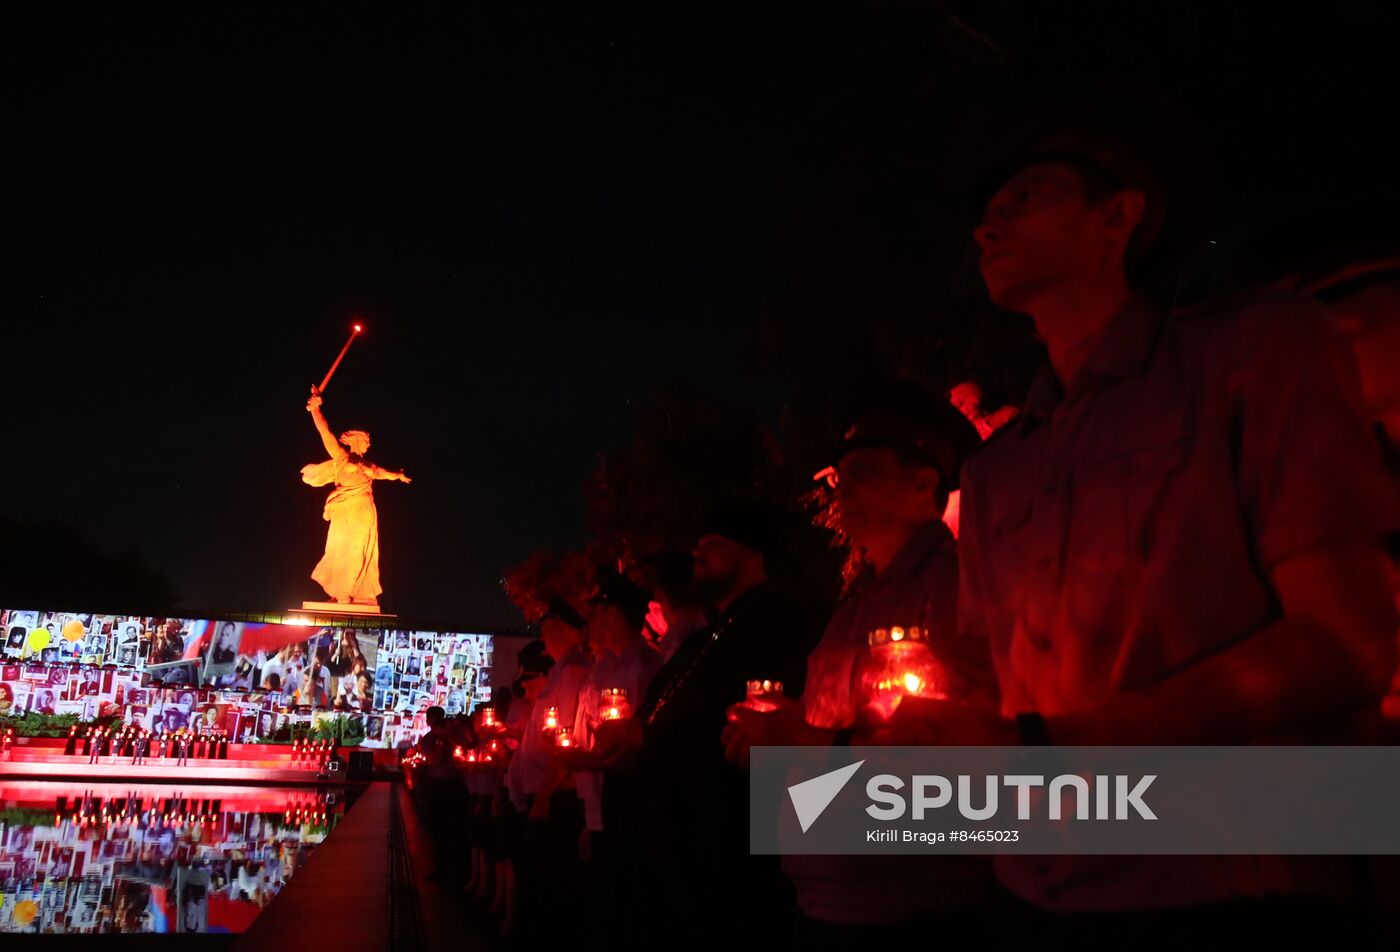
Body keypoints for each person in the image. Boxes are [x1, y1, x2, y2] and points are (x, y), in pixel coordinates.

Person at [904, 86, 1399, 942]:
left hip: (1230, 882)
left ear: (1119, 215)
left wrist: (1059, 750)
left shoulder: (1256, 352)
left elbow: (1347, 641)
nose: (987, 228)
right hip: (1033, 886)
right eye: (984, 215)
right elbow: (984, 677)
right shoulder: (995, 470)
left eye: (1023, 200)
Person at [722, 384, 997, 944]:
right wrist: (775, 734)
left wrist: (800, 739)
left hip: (913, 906)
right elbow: (828, 737)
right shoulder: (852, 609)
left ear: (925, 485)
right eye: (840, 473)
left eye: (865, 471)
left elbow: (965, 765)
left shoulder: (957, 589)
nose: (842, 487)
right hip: (825, 895)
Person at [624, 500, 821, 944]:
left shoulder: (785, 623)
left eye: (711, 543)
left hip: (732, 852)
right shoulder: (709, 635)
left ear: (750, 552)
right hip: (676, 846)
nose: (697, 553)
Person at [301, 386, 411, 607]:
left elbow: (382, 473)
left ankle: (358, 591)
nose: (368, 444)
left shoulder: (368, 464)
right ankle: (341, 591)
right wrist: (315, 409)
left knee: (360, 549)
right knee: (342, 547)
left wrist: (398, 475)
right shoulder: (341, 457)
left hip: (364, 510)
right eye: (366, 440)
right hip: (345, 508)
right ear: (356, 440)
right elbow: (326, 433)